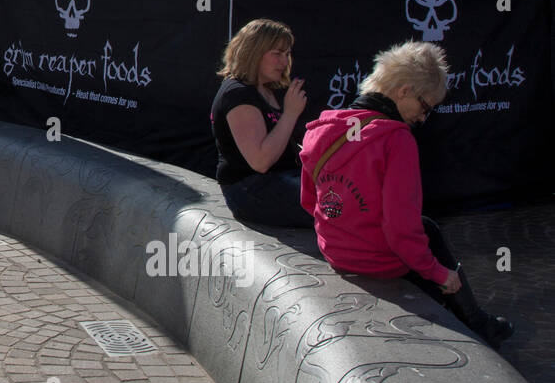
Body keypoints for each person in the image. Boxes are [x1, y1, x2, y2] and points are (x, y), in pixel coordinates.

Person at [299, 41, 513, 348]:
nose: (424, 118)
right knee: (427, 233)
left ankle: (474, 319)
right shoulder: (396, 140)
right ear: (404, 91)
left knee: (426, 227)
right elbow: (400, 229)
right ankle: (477, 322)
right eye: (425, 106)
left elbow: (309, 201)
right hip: (377, 261)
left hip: (334, 252)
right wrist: (439, 273)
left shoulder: (321, 128)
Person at [210, 18, 311, 227]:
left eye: (287, 54)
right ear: (253, 52)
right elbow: (260, 161)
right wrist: (290, 114)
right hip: (250, 190)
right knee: (335, 208)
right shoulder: (237, 94)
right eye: (277, 54)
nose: (284, 62)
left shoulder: (268, 89)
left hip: (281, 179)